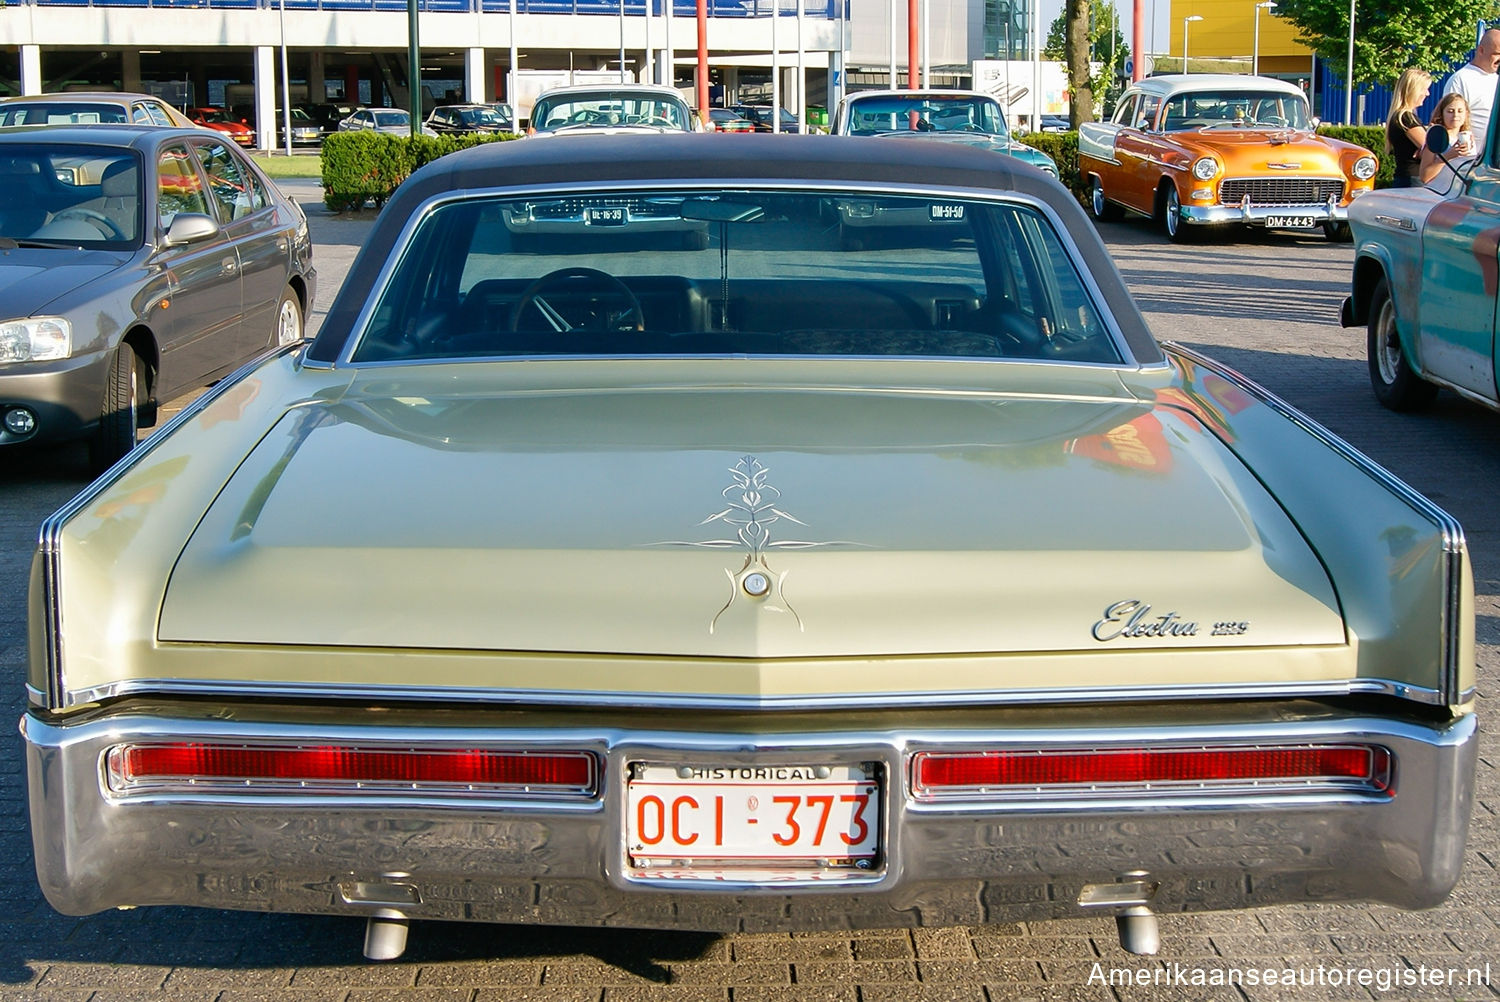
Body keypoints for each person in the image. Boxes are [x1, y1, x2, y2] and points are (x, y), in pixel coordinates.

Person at [1442, 27, 1500, 150]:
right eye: (1497, 54)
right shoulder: (1461, 80)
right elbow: (1449, 122)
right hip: (1470, 162)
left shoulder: (1496, 79)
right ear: (1481, 50)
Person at [1386, 68, 1433, 187]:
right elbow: (1432, 149)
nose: (1427, 93)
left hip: (1407, 178)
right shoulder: (1406, 118)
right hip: (1413, 180)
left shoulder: (1400, 117)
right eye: (1424, 89)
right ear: (1413, 90)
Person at [1419, 93, 1477, 184]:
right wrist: (1449, 156)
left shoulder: (1469, 137)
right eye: (1450, 111)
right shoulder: (1436, 137)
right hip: (1441, 192)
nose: (1455, 115)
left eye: (1460, 111)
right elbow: (1425, 176)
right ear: (1442, 114)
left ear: (1466, 113)